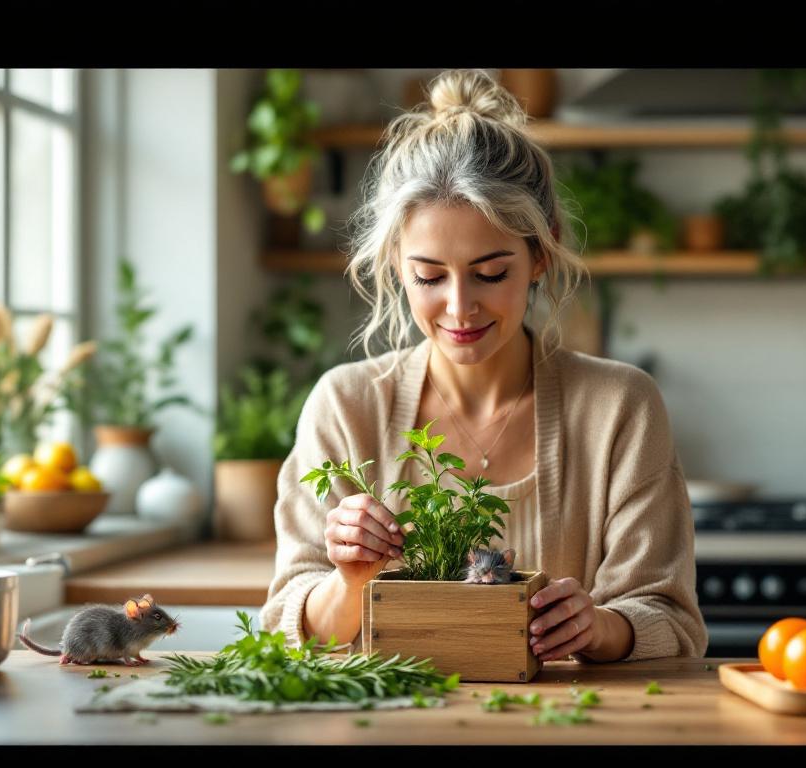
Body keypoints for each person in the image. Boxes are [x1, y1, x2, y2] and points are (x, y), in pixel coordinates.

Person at [260, 69, 707, 663]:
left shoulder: (619, 407)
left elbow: (671, 621)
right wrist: (348, 581)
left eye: (491, 273)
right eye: (428, 276)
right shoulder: (345, 407)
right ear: (396, 262)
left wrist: (598, 627)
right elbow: (288, 624)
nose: (459, 306)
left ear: (541, 254)